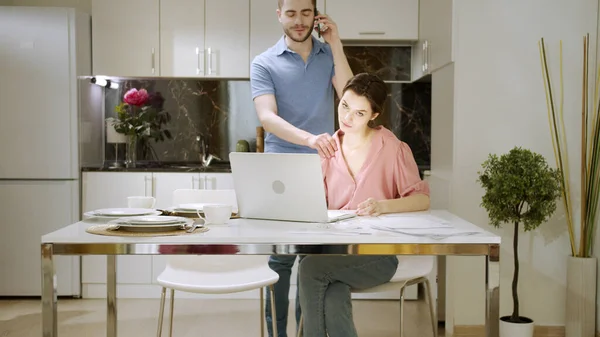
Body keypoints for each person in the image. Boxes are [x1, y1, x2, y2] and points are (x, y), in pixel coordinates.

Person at [297, 73, 431, 337]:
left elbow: (422, 199)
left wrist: (382, 206)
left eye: (359, 113)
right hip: (336, 253)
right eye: (345, 106)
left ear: (374, 115)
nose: (347, 117)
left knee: (310, 268)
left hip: (380, 254)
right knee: (333, 294)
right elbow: (316, 204)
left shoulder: (392, 148)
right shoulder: (328, 149)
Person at [250, 0, 353, 335]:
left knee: (315, 262)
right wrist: (309, 139)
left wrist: (335, 42)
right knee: (280, 262)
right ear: (279, 14)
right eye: (291, 13)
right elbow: (267, 117)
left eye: (305, 13)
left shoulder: (327, 56)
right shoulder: (264, 63)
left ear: (316, 15)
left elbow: (350, 96)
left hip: (326, 171)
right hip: (282, 171)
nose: (298, 21)